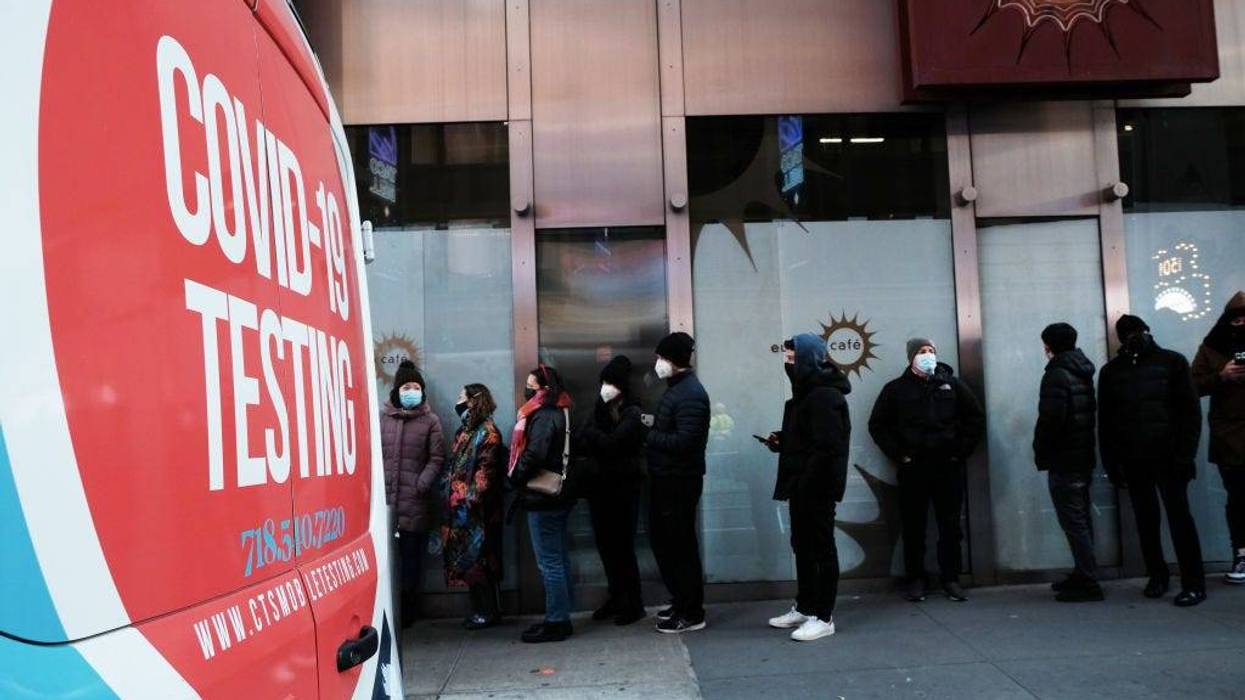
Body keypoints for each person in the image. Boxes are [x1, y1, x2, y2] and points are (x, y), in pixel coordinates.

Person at [1099, 315, 1206, 607]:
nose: (1135, 337)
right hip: (1137, 457)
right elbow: (1107, 422)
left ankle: (1189, 582)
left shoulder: (1171, 362)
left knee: (1176, 520)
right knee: (1149, 521)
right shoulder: (1114, 371)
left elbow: (1190, 414)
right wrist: (1112, 461)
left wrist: (1184, 455)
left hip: (1167, 456)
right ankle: (1161, 576)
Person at [869, 338, 984, 603]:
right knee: (913, 527)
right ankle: (916, 579)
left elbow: (975, 418)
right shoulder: (896, 389)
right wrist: (900, 455)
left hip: (947, 466)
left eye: (931, 351)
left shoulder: (952, 385)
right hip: (914, 468)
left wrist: (959, 452)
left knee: (950, 526)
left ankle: (951, 579)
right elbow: (878, 425)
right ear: (911, 357)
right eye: (922, 351)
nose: (928, 355)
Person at [763, 334, 851, 642]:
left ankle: (823, 616)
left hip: (816, 487)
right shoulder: (806, 393)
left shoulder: (824, 396)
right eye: (786, 358)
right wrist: (782, 441)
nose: (788, 364)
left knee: (820, 547)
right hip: (802, 485)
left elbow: (827, 447)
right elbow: (808, 438)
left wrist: (806, 482)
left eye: (793, 358)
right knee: (802, 546)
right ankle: (805, 606)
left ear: (809, 359)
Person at [645, 332, 711, 634]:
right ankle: (681, 601)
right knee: (668, 544)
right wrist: (651, 424)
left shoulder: (690, 394)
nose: (658, 363)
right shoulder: (678, 390)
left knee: (680, 546)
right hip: (668, 477)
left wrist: (648, 435)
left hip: (678, 480)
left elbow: (685, 441)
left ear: (673, 360)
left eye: (661, 358)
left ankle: (691, 612)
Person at [1033, 323, 1103, 602]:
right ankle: (1084, 572)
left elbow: (1051, 420)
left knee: (1073, 521)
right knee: (1081, 517)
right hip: (1082, 455)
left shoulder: (1057, 374)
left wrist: (1041, 450)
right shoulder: (1080, 370)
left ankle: (1088, 581)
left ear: (1049, 345)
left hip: (1065, 458)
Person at [577, 356, 648, 625]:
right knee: (606, 547)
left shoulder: (633, 411)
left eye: (611, 383)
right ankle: (616, 597)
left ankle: (633, 603)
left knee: (623, 548)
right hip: (600, 488)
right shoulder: (599, 409)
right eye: (604, 382)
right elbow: (583, 438)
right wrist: (598, 439)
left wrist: (595, 438)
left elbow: (614, 444)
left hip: (624, 489)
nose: (605, 388)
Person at [508, 365, 576, 643]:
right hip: (557, 495)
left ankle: (557, 620)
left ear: (543, 388)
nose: (527, 390)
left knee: (550, 561)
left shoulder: (545, 414)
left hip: (543, 496)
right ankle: (561, 614)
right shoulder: (561, 409)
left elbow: (535, 453)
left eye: (531, 385)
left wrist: (515, 476)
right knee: (557, 557)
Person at [380, 360, 446, 628]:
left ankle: (408, 611)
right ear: (397, 390)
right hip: (385, 503)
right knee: (387, 561)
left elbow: (437, 457)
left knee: (411, 559)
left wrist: (422, 483)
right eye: (407, 387)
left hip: (415, 502)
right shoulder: (383, 419)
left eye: (416, 387)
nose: (412, 392)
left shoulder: (430, 421)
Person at [441, 383, 507, 630]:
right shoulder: (465, 431)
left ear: (472, 401)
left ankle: (488, 611)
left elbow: (485, 474)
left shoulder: (488, 432)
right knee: (468, 561)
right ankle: (480, 609)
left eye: (462, 397)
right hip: (460, 509)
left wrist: (466, 497)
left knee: (481, 560)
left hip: (477, 511)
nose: (458, 401)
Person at [1191, 291, 1245, 585]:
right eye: (1236, 320)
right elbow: (1192, 385)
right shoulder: (1212, 347)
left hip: (1229, 434)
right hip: (1230, 437)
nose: (1241, 325)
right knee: (1238, 498)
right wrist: (1221, 377)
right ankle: (1242, 553)